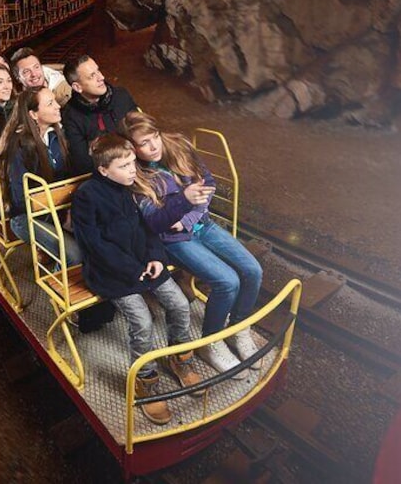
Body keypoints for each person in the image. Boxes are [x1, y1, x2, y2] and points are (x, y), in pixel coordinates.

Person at [120, 111, 263, 379]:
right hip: (174, 240)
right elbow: (155, 222)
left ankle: (238, 328)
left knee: (253, 270)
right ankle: (211, 342)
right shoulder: (136, 175)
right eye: (144, 144)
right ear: (133, 148)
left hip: (200, 224)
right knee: (227, 282)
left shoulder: (179, 147)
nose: (153, 147)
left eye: (154, 138)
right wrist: (184, 206)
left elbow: (207, 182)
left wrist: (187, 217)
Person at [71, 134, 203, 425]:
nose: (134, 169)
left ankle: (179, 358)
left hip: (144, 266)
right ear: (104, 170)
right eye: (125, 165)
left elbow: (146, 230)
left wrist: (156, 258)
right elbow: (94, 245)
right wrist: (134, 270)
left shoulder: (127, 188)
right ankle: (145, 380)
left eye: (133, 163)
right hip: (112, 273)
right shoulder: (87, 195)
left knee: (180, 304)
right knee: (142, 320)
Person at [0, 87, 81, 265]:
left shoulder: (57, 136)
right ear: (33, 114)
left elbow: (69, 178)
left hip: (59, 209)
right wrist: (58, 218)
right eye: (50, 103)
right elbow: (20, 199)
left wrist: (67, 213)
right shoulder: (19, 145)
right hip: (27, 216)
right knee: (74, 255)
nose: (58, 106)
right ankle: (58, 289)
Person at [62, 55, 138, 174]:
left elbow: (139, 132)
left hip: (136, 164)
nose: (101, 77)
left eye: (98, 70)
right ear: (77, 87)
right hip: (103, 175)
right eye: (92, 76)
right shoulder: (70, 116)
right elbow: (82, 164)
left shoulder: (121, 96)